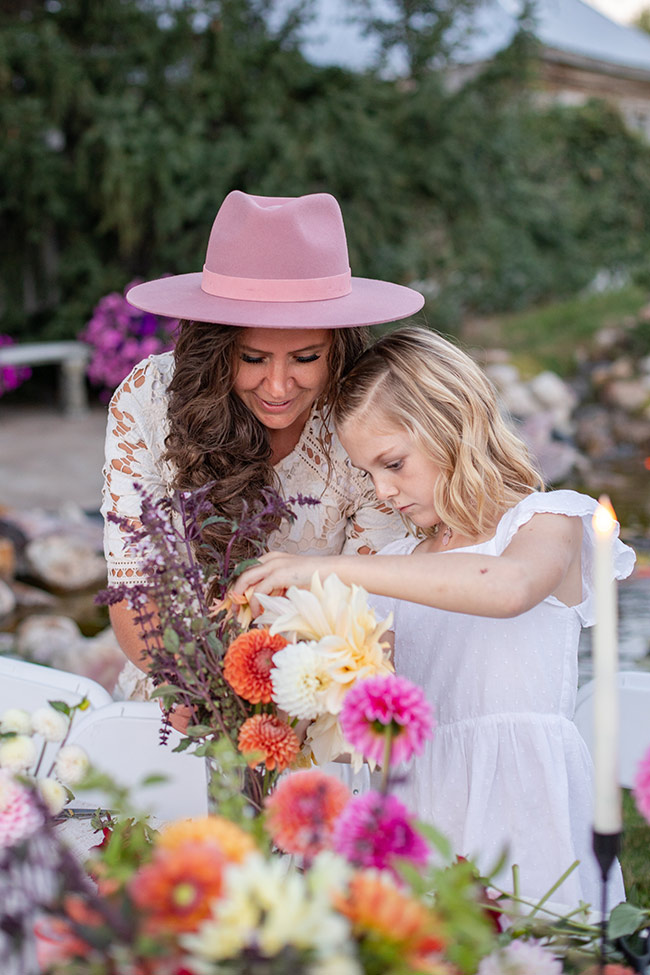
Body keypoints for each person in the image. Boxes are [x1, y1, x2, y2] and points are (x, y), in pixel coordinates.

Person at [234, 326, 636, 908]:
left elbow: (507, 588)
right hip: (425, 803)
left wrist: (329, 569)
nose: (384, 491)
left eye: (393, 463)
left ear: (454, 421)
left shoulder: (546, 523)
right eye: (369, 473)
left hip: (523, 803)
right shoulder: (401, 566)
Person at [101, 190, 424, 701]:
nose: (278, 386)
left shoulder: (366, 418)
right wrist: (205, 693)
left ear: (337, 345)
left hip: (325, 693)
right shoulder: (147, 402)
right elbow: (135, 589)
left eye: (305, 357)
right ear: (214, 349)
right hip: (179, 691)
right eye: (251, 358)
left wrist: (289, 704)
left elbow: (377, 603)